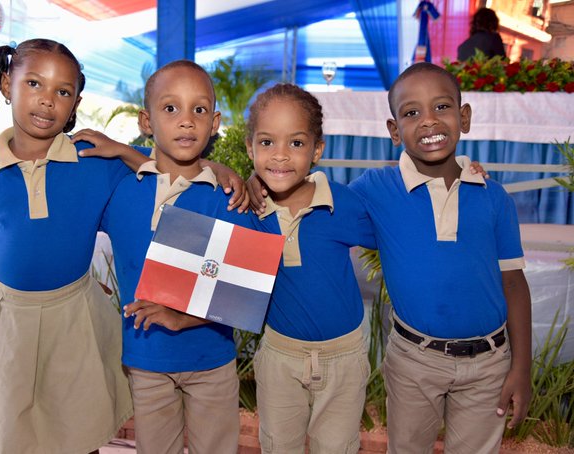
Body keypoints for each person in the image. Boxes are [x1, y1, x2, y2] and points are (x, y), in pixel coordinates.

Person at [0, 38, 146, 454]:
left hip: (74, 316)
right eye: (34, 84)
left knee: (79, 434)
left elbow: (168, 167)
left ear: (75, 102)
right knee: (14, 435)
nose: (47, 100)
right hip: (9, 320)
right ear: (6, 85)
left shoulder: (97, 162)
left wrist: (122, 150)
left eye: (62, 91)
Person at [349, 62, 531, 453]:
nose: (429, 120)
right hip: (414, 361)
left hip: (489, 363)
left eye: (442, 107)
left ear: (464, 118)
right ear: (394, 130)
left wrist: (522, 368)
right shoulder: (375, 189)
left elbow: (514, 282)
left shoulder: (494, 197)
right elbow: (316, 206)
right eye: (412, 112)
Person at [78, 60, 254, 454]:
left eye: (199, 109)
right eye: (170, 108)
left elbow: (243, 289)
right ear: (146, 121)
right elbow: (68, 227)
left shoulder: (228, 197)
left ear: (215, 122)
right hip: (146, 360)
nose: (186, 121)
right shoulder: (122, 189)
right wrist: (82, 286)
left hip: (212, 360)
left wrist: (181, 317)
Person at [245, 83, 376, 453]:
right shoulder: (245, 208)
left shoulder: (344, 204)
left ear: (317, 150)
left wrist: (463, 170)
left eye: (296, 143)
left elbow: (401, 224)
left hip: (344, 358)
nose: (280, 155)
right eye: (267, 142)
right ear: (250, 148)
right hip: (279, 356)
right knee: (277, 445)